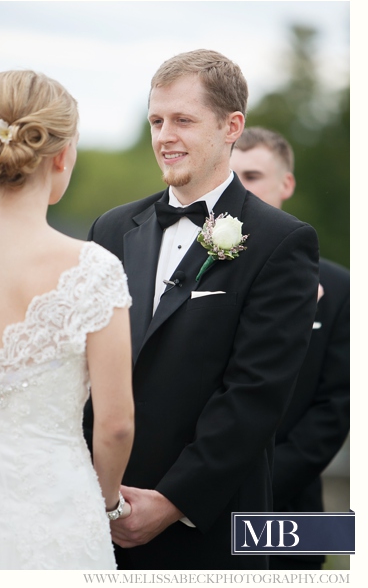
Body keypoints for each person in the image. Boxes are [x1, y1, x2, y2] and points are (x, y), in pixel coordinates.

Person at [85, 49, 319, 570]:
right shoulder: (112, 228)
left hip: (207, 526)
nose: (165, 136)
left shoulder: (282, 242)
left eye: (183, 120)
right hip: (93, 520)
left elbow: (256, 393)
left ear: (232, 126)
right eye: (156, 120)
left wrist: (173, 503)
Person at [0, 70, 135, 570]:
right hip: (56, 514)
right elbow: (115, 426)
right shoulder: (93, 270)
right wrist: (107, 505)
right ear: (62, 155)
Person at [231, 127, 349, 571]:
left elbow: (336, 407)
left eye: (253, 176)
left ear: (286, 184)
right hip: (189, 503)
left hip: (293, 509)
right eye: (231, 177)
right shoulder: (197, 271)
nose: (240, 189)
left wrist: (251, 489)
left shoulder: (342, 289)